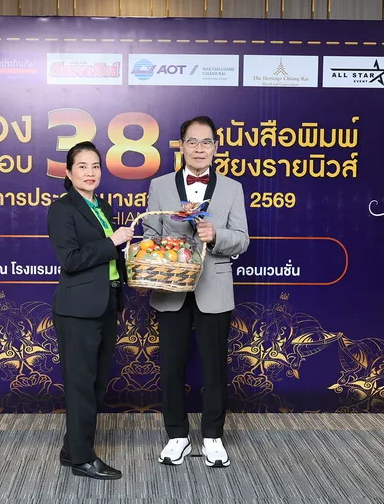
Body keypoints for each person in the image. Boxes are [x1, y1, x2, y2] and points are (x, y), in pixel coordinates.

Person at [143, 116, 249, 468]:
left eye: (206, 142)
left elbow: (242, 239)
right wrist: (167, 250)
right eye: (192, 142)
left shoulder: (232, 188)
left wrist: (216, 235)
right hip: (170, 287)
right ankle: (177, 435)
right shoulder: (160, 185)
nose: (199, 149)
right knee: (171, 365)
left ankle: (213, 437)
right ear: (182, 146)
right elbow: (150, 235)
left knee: (214, 367)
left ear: (216, 147)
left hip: (213, 287)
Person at [46, 141, 134, 480]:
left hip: (106, 303)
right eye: (82, 166)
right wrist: (112, 242)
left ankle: (72, 449)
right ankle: (83, 460)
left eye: (95, 165)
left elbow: (108, 257)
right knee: (81, 385)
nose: (90, 172)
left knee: (95, 385)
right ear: (69, 173)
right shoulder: (62, 209)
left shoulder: (102, 206)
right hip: (78, 310)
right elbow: (70, 260)